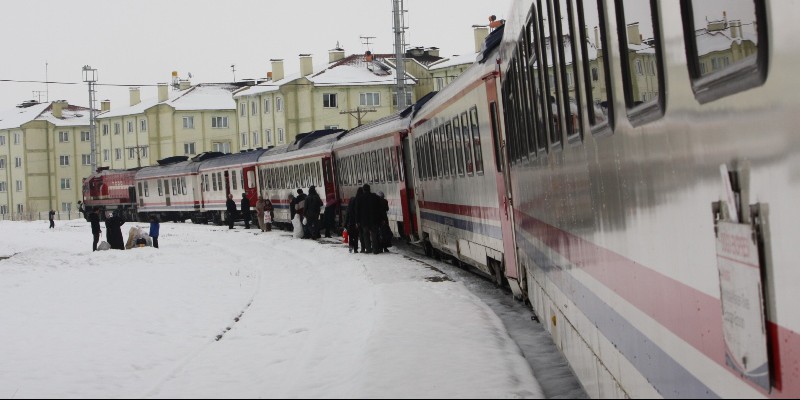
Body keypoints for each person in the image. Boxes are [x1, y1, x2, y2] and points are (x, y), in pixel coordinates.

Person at [345, 188, 362, 254]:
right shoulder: (357, 205)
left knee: (351, 237)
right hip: (355, 223)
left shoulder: (349, 208)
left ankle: (350, 248)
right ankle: (355, 249)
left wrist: (345, 224)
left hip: (350, 223)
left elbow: (347, 216)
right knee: (355, 236)